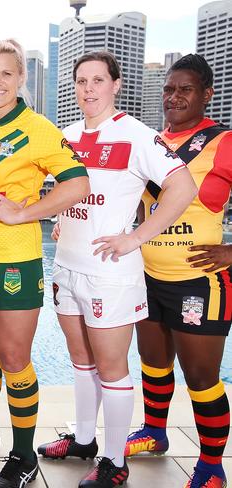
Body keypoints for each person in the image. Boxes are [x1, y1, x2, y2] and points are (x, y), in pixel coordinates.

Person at [35, 51, 197, 488]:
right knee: (81, 362)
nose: (89, 89)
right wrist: (60, 220)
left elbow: (184, 186)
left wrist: (135, 236)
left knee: (111, 368)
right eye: (81, 81)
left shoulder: (137, 135)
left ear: (116, 84)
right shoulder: (65, 137)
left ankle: (114, 460)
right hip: (67, 266)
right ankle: (85, 441)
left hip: (110, 271)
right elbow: (70, 194)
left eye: (98, 80)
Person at [0, 38, 90, 488]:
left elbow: (77, 185)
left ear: (21, 78)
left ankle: (24, 454)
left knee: (13, 359)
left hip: (16, 258)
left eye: (6, 74)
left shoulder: (39, 129)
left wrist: (26, 212)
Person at [123, 54, 232, 488]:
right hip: (146, 275)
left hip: (199, 281)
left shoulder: (223, 141)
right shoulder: (151, 143)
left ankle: (210, 466)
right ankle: (154, 432)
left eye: (185, 89)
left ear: (207, 93)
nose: (174, 96)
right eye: (169, 88)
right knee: (153, 362)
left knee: (202, 378)